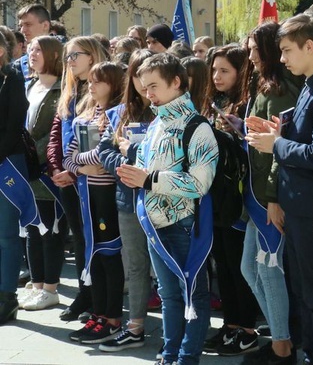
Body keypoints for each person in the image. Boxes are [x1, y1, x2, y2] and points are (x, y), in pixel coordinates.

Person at [246, 13, 313, 365]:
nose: (283, 59)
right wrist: (279, 133)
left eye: (288, 50)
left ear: (310, 46)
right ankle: (310, 353)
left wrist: (275, 144)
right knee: (303, 291)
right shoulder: (310, 84)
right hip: (300, 204)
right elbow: (302, 139)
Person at [118, 53, 219, 365]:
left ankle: (186, 358)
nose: (148, 94)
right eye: (144, 87)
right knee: (168, 295)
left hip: (184, 223)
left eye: (153, 86)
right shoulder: (155, 125)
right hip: (155, 224)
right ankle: (168, 354)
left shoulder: (198, 127)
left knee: (192, 294)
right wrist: (135, 173)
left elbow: (199, 183)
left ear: (176, 83)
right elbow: (149, 171)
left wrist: (149, 179)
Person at [240, 21, 300, 365]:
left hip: (268, 194)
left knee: (268, 268)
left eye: (253, 48)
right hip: (256, 190)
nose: (249, 54)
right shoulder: (264, 84)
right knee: (251, 269)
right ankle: (282, 336)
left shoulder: (282, 89)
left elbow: (282, 146)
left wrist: (275, 198)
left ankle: (282, 348)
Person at [202, 45, 261, 356]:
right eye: (214, 70)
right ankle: (230, 324)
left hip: (238, 200)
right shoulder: (214, 103)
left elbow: (250, 153)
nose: (217, 76)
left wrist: (235, 132)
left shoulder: (246, 105)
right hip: (216, 197)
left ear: (240, 72)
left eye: (224, 70)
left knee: (240, 266)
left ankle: (248, 327)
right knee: (222, 264)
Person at [96, 49, 155, 352]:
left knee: (169, 266)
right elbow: (103, 150)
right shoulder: (120, 113)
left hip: (163, 201)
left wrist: (132, 153)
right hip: (128, 199)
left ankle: (177, 327)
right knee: (135, 264)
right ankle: (136, 325)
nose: (145, 83)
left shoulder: (167, 110)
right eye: (137, 74)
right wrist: (120, 161)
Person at [47, 37, 109, 322]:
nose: (69, 61)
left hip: (89, 177)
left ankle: (96, 297)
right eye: (67, 56)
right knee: (79, 235)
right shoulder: (70, 91)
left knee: (92, 238)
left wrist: (73, 170)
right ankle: (85, 293)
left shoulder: (102, 88)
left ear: (93, 56)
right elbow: (57, 132)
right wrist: (55, 166)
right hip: (67, 176)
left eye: (75, 55)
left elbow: (97, 140)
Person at [63, 62, 126, 345]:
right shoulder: (86, 116)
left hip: (108, 197)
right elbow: (69, 157)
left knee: (109, 254)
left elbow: (105, 156)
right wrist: (82, 166)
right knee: (94, 255)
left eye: (99, 81)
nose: (92, 86)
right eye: (91, 81)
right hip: (86, 195)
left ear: (114, 84)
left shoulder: (118, 116)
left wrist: (83, 164)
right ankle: (98, 313)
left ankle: (113, 317)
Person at [19, 37, 65, 312]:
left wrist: (39, 155)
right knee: (32, 228)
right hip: (25, 167)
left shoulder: (62, 89)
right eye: (30, 49)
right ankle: (37, 286)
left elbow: (55, 132)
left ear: (53, 55)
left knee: (51, 228)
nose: (31, 53)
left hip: (46, 169)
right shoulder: (29, 84)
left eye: (38, 50)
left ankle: (51, 287)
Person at [0, 32, 31, 325]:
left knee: (7, 235)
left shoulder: (12, 78)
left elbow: (14, 125)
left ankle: (7, 297)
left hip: (7, 162)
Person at [14, 4, 51, 81]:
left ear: (45, 25)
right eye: (21, 26)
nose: (22, 30)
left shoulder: (65, 58)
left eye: (28, 24)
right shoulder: (19, 65)